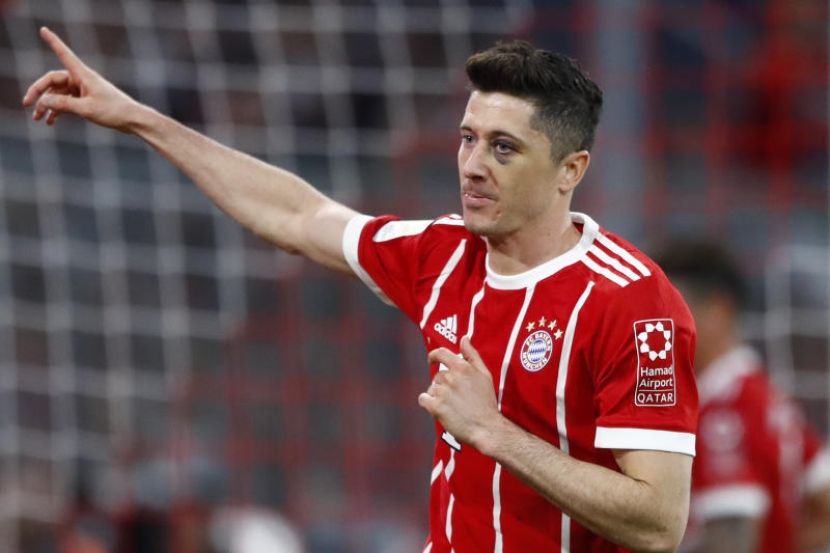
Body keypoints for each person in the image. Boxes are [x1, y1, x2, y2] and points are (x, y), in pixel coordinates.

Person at [23, 29, 699, 552]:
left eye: (503, 148)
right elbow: (299, 216)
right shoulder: (442, 253)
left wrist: (493, 431)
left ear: (569, 170)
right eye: (467, 138)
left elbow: (659, 522)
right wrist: (141, 118)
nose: (472, 165)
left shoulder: (636, 305)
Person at [653, 241, 830, 553]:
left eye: (667, 311)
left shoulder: (725, 409)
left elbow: (731, 539)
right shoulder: (763, 394)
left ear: (719, 311)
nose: (656, 326)